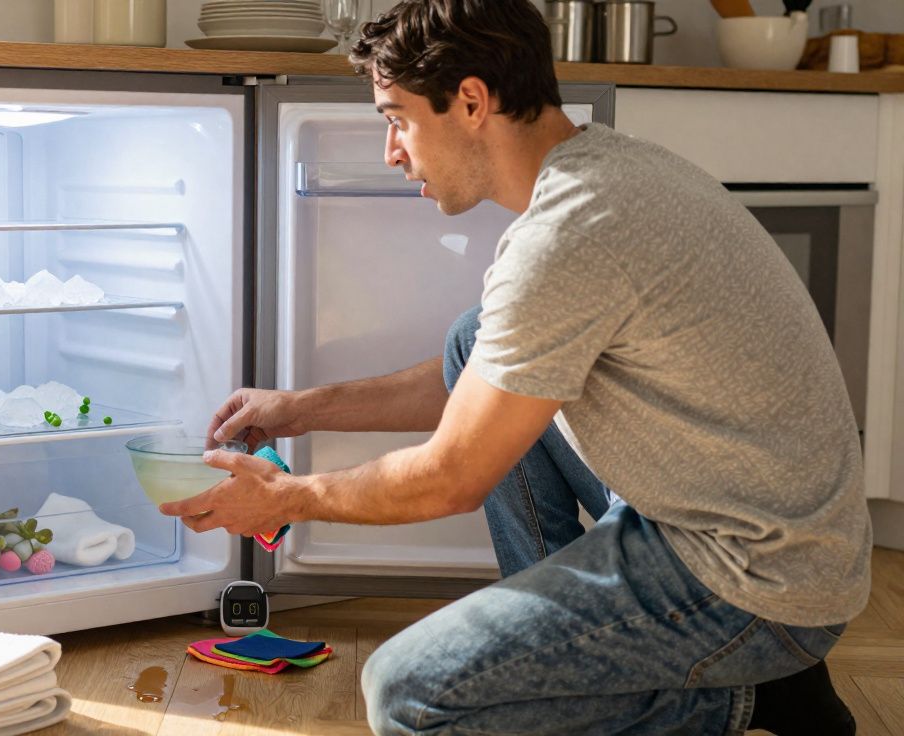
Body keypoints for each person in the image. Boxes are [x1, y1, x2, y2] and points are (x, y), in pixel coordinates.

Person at [157, 0, 870, 733]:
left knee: (408, 692)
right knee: (474, 340)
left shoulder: (568, 235)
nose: (391, 151)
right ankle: (575, 657)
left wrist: (285, 499)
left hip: (758, 582)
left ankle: (745, 694)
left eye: (396, 117)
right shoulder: (605, 168)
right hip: (745, 521)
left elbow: (452, 477)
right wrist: (300, 409)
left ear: (471, 101)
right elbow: (483, 383)